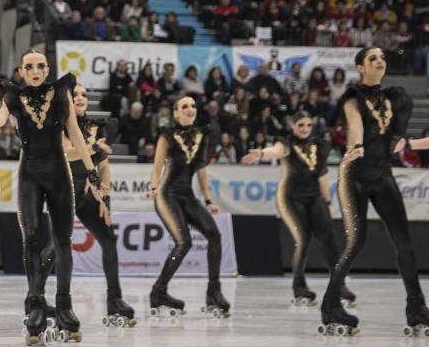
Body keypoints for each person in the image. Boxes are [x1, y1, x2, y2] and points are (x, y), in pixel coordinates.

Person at [0, 50, 97, 345]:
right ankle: (35, 304)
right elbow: (0, 117)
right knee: (30, 236)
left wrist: (91, 169)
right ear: (21, 70)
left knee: (62, 241)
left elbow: (75, 132)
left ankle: (65, 305)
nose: (35, 70)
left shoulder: (61, 92)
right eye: (29, 66)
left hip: (59, 173)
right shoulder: (13, 95)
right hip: (30, 173)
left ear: (47, 70)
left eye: (40, 66)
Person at [318, 47, 428, 335]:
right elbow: (354, 124)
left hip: (383, 175)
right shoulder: (352, 98)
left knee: (404, 242)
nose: (380, 61)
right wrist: (356, 147)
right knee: (356, 241)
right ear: (360, 68)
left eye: (381, 57)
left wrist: (408, 144)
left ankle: (417, 308)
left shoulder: (398, 97)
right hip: (353, 176)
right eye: (372, 58)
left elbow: (398, 140)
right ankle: (330, 305)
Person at [241, 111, 356, 306]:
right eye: (300, 125)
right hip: (291, 199)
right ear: (292, 126)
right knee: (303, 241)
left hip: (315, 197)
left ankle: (339, 284)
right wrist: (261, 153)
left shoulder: (319, 145)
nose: (304, 129)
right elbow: (277, 151)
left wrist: (327, 202)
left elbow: (322, 174)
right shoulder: (286, 143)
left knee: (328, 239)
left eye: (308, 125)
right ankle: (299, 286)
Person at [56, 84, 136, 325]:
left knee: (109, 239)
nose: (80, 98)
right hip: (64, 189)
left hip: (89, 193)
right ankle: (40, 300)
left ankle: (114, 300)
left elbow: (102, 164)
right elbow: (67, 154)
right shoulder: (59, 124)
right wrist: (92, 147)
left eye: (83, 95)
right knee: (54, 248)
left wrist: (106, 198)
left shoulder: (96, 128)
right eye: (75, 94)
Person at [147, 95, 229, 317]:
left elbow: (201, 171)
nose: (190, 109)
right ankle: (159, 292)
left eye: (193, 106)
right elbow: (156, 167)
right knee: (184, 242)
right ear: (175, 113)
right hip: (167, 195)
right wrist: (153, 187)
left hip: (187, 195)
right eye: (184, 106)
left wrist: (209, 200)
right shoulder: (167, 136)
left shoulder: (203, 135)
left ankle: (213, 292)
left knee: (214, 234)